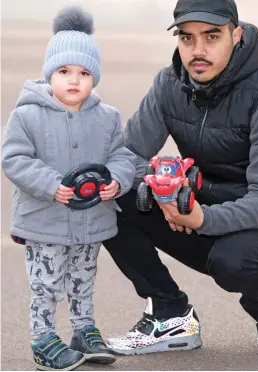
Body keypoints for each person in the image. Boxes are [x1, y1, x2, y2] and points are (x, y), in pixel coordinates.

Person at [102, 0, 258, 357]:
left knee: (234, 260)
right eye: (187, 37)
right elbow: (127, 155)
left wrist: (202, 218)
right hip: (197, 209)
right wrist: (160, 190)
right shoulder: (170, 84)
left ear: (236, 36)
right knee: (110, 196)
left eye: (211, 37)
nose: (197, 51)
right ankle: (170, 315)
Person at [1, 6, 136, 371]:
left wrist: (117, 180)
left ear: (95, 78)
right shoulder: (27, 114)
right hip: (44, 222)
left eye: (84, 73)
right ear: (50, 74)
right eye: (64, 72)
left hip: (90, 222)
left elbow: (122, 157)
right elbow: (13, 159)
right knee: (46, 284)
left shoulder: (106, 117)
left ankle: (83, 330)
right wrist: (50, 184)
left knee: (82, 279)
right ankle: (43, 338)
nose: (73, 80)